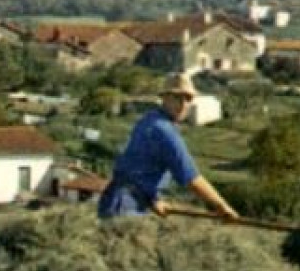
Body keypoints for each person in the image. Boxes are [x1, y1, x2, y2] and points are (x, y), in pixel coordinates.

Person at [98, 72, 239, 220]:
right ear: (164, 98)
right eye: (177, 97)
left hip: (121, 201)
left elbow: (135, 169)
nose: (183, 104)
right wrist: (223, 207)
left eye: (188, 98)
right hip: (125, 205)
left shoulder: (149, 119)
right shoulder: (163, 131)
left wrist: (153, 199)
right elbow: (192, 178)